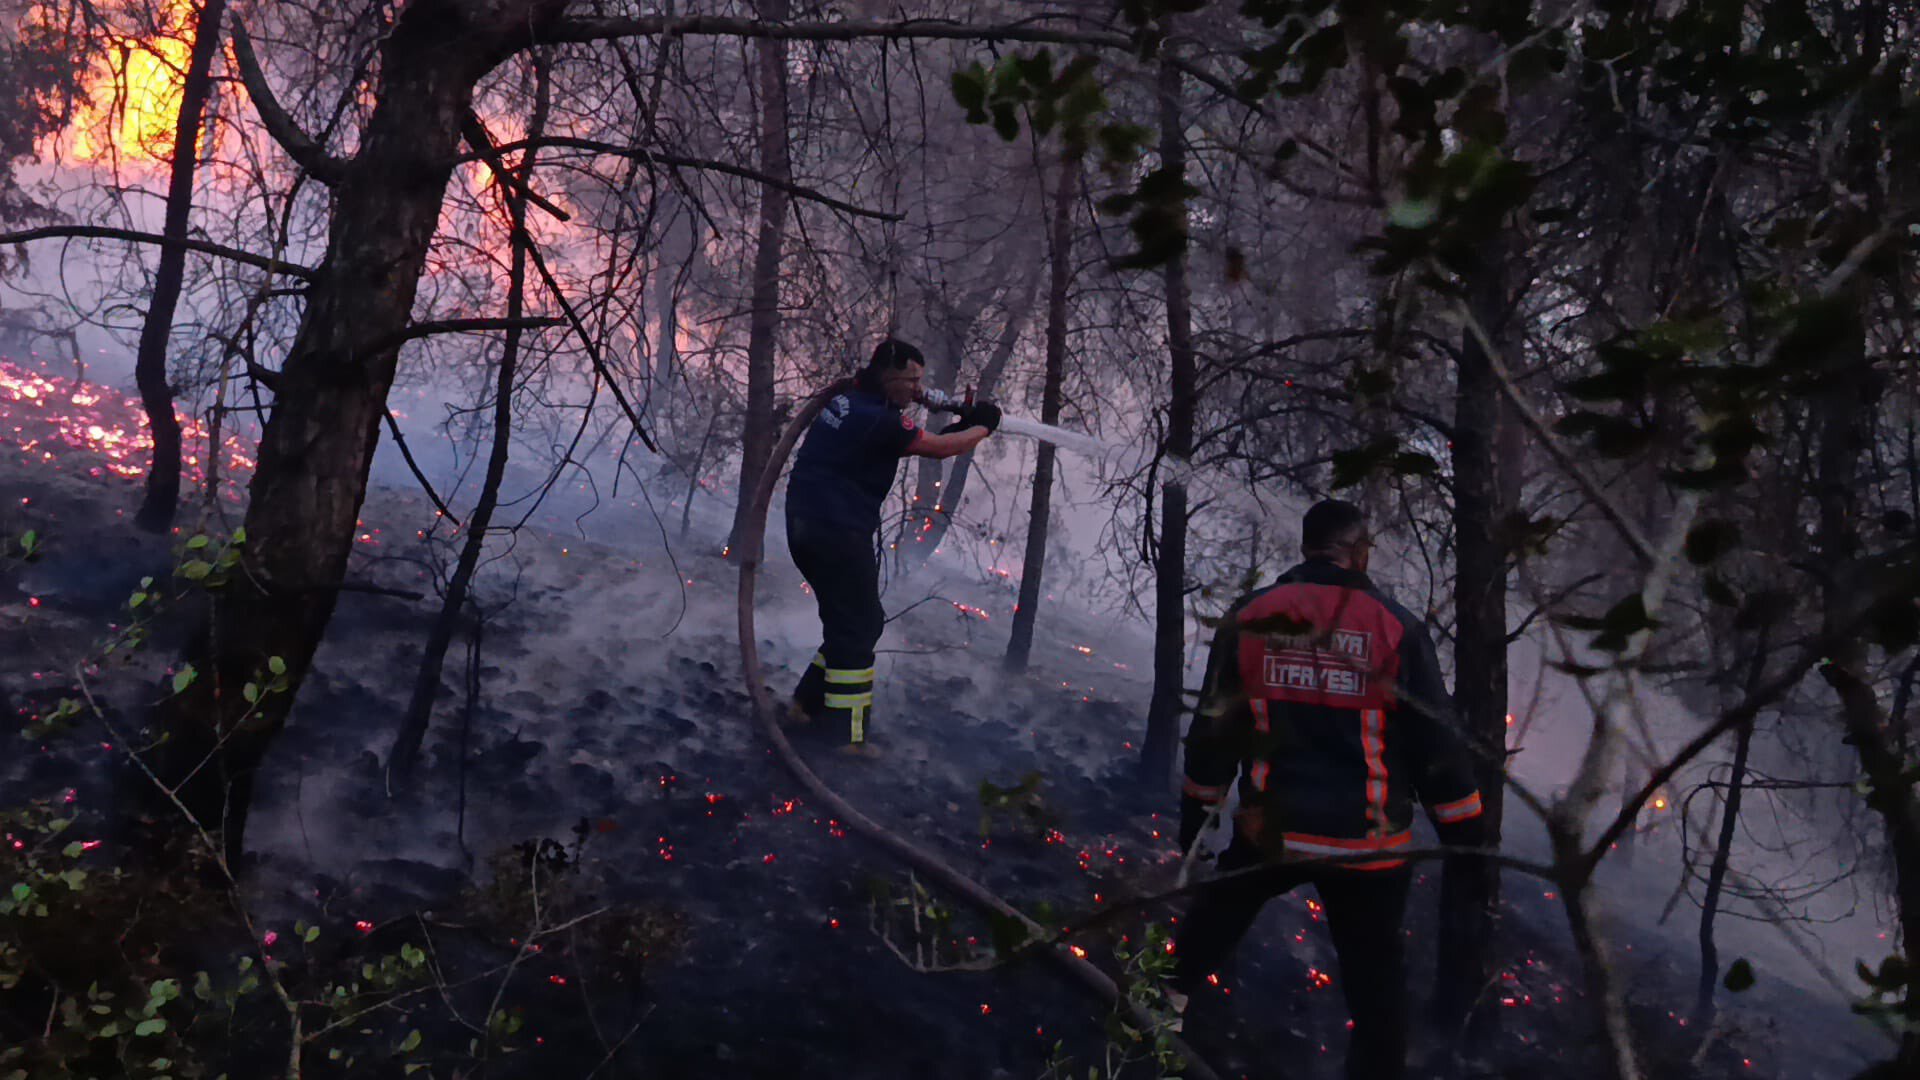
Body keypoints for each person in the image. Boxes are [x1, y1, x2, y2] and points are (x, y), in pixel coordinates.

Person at [1170, 499, 1487, 1080]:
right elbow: (1436, 748)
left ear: (1306, 548)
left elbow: (1216, 729)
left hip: (1272, 834)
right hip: (1367, 846)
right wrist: (1467, 840)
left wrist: (1197, 812)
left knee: (1197, 946)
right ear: (1359, 551)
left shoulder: (1253, 616)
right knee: (1377, 995)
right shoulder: (1395, 627)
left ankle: (1144, 1034)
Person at [784, 338, 1001, 751]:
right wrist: (983, 427)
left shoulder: (852, 402)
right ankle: (846, 737)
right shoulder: (876, 417)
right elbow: (935, 448)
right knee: (860, 627)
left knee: (853, 623)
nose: (916, 390)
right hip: (837, 532)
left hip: (810, 526)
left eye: (921, 382)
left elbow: (906, 444)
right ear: (889, 373)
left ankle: (805, 705)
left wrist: (963, 426)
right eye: (911, 381)